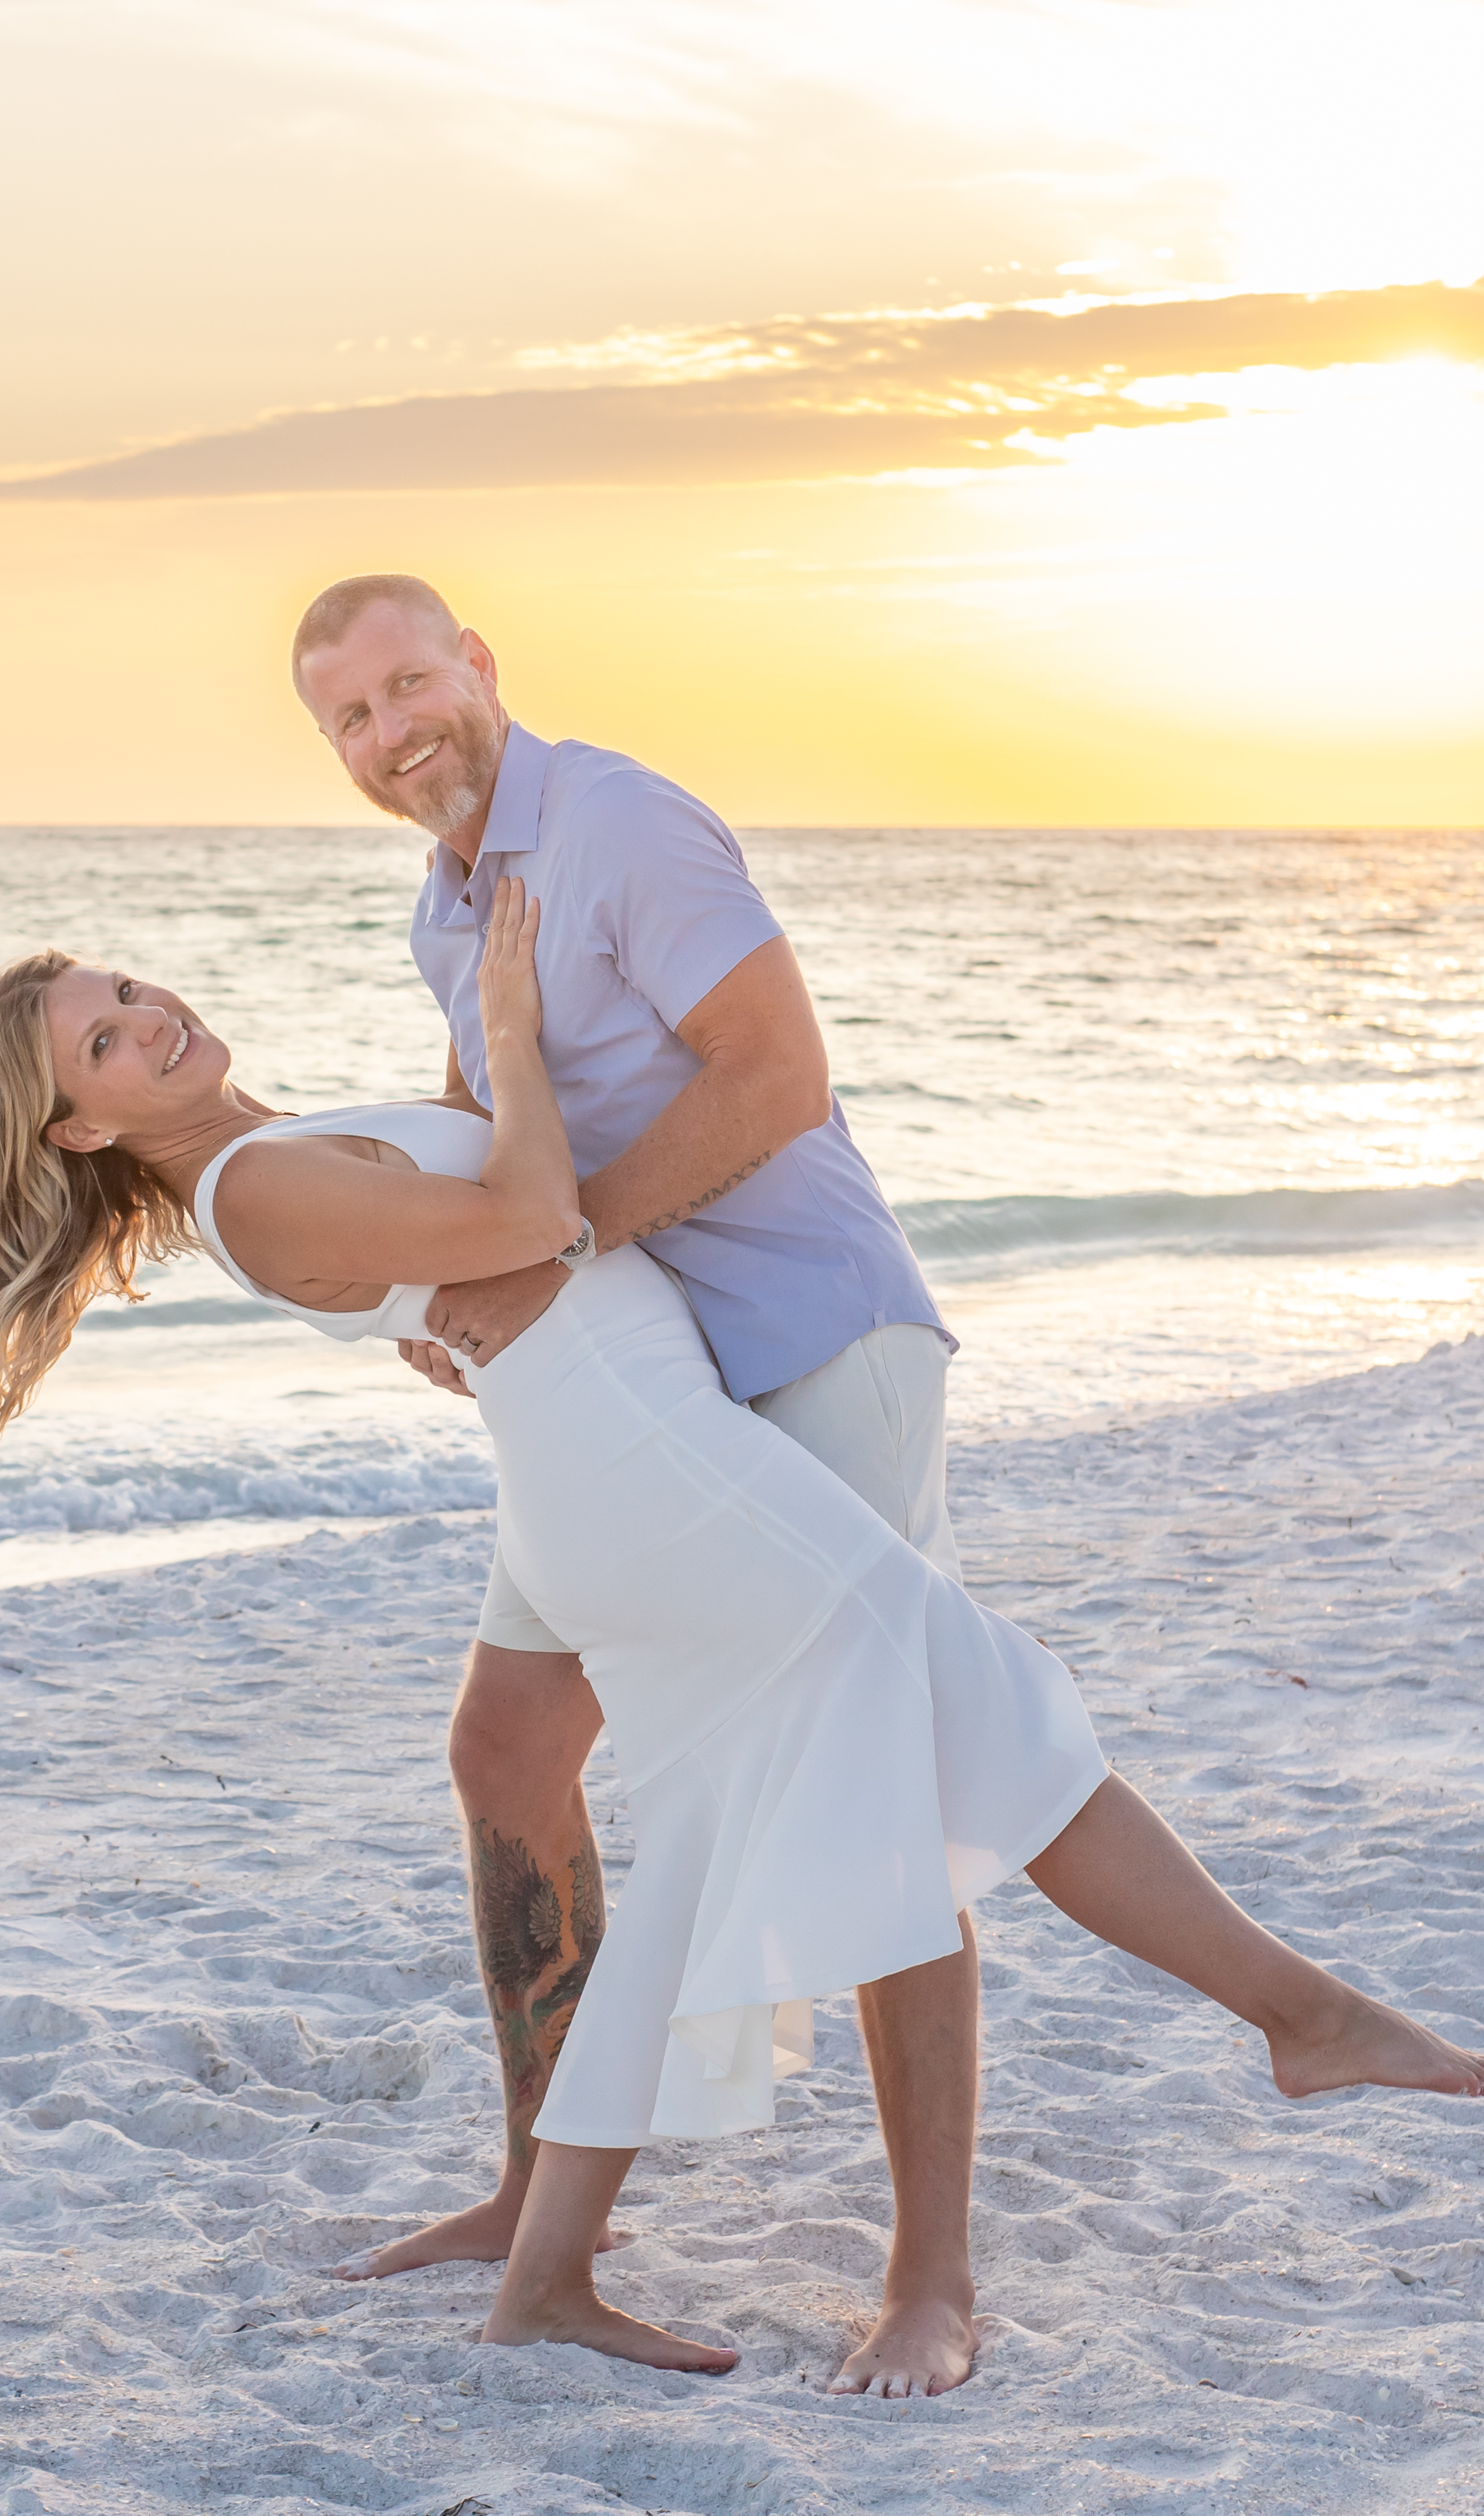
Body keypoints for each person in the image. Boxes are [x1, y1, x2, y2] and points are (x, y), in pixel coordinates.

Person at [0, 894, 1484, 2386]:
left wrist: (475, 1080)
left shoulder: (262, 1149)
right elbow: (532, 1206)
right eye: (106, 1036)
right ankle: (1298, 2015)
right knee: (969, 1699)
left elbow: (483, 1231)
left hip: (639, 1460)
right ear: (84, 1123)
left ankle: (550, 2267)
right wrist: (509, 1026)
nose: (148, 1013)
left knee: (804, 1786)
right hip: (650, 1475)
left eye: (131, 983)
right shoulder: (250, 1178)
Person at [284, 573, 993, 2390]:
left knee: (869, 1777)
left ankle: (930, 2284)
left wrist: (558, 1250)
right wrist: (448, 1290)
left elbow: (776, 1078)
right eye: (350, 718)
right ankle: (540, 2207)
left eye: (409, 684)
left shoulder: (617, 821)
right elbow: (485, 1139)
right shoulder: (445, 907)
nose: (392, 734)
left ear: (480, 667)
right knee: (509, 1744)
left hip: (814, 1338)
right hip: (637, 1376)